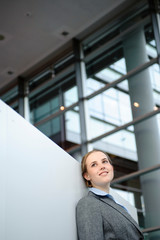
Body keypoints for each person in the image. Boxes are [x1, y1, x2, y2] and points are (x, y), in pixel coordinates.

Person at [76, 149, 144, 240]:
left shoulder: (116, 204)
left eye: (104, 161)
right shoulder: (88, 203)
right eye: (94, 164)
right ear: (87, 176)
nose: (102, 166)